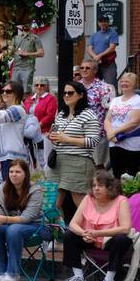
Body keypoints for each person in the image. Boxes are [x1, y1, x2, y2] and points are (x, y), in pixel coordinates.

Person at [60, 171, 134, 281]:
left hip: (110, 241)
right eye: (94, 186)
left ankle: (109, 280)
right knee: (69, 235)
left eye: (100, 186)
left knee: (122, 238)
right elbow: (73, 224)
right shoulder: (88, 199)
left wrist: (98, 234)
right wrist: (84, 233)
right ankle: (78, 277)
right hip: (90, 239)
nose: (96, 189)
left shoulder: (121, 200)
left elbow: (126, 228)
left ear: (110, 187)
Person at [47, 80, 99, 224]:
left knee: (81, 202)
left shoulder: (89, 115)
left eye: (70, 93)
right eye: (64, 93)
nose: (66, 95)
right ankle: (58, 238)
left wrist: (67, 138)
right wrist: (53, 137)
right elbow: (58, 138)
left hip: (78, 161)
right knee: (51, 203)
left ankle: (96, 234)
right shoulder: (61, 114)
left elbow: (93, 141)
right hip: (58, 161)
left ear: (81, 95)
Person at [0, 159, 44, 281]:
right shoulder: (3, 187)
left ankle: (13, 273)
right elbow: (0, 212)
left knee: (14, 229)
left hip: (37, 226)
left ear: (25, 174)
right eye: (11, 171)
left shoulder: (35, 190)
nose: (14, 174)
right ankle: (0, 271)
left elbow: (28, 217)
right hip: (11, 225)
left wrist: (5, 219)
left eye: (18, 171)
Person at [104, 72, 140, 178]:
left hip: (131, 143)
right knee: (117, 174)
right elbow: (108, 119)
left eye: (127, 81)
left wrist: (114, 132)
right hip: (114, 141)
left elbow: (134, 122)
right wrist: (110, 133)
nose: (123, 83)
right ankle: (119, 195)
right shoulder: (115, 100)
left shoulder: (139, 101)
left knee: (131, 175)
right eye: (122, 81)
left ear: (134, 83)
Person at [78, 58, 114, 167]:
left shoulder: (104, 88)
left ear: (95, 71)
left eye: (87, 68)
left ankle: (98, 184)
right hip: (78, 131)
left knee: (97, 165)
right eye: (82, 68)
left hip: (96, 132)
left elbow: (110, 111)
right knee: (80, 164)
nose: (84, 70)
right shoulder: (75, 86)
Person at [87, 15, 120, 88]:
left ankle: (113, 99)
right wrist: (95, 57)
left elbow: (112, 48)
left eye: (105, 21)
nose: (103, 23)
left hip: (108, 64)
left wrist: (99, 56)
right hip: (96, 64)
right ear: (98, 23)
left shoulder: (113, 33)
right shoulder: (94, 35)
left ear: (108, 22)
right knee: (95, 85)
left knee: (110, 85)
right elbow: (89, 48)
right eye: (101, 21)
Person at [8, 24, 43, 93]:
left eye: (27, 22)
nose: (25, 24)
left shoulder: (35, 38)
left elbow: (41, 53)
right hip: (16, 68)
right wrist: (7, 50)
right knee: (14, 91)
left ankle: (26, 104)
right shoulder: (15, 38)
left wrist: (27, 54)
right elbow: (10, 52)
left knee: (26, 92)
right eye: (24, 23)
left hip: (28, 68)